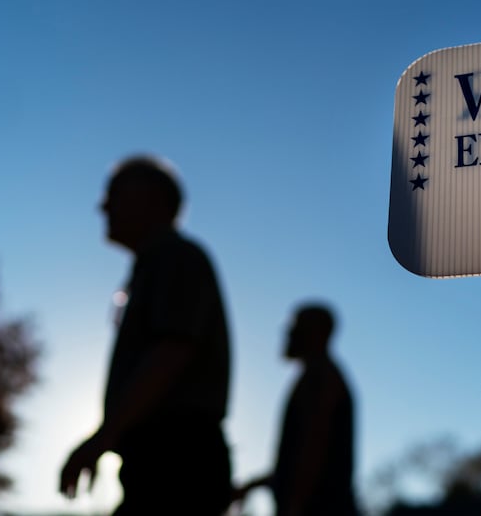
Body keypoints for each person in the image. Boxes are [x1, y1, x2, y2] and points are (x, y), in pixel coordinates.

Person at [59, 155, 234, 515]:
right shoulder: (158, 263)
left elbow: (172, 351)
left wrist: (102, 437)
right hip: (165, 459)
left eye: (115, 194)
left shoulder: (175, 257)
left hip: (177, 460)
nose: (103, 205)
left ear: (153, 199)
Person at [236, 303, 360, 516]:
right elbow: (296, 461)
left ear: (320, 332)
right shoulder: (317, 375)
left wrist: (295, 505)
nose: (288, 332)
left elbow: (313, 448)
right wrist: (253, 485)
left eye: (297, 325)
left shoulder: (322, 377)